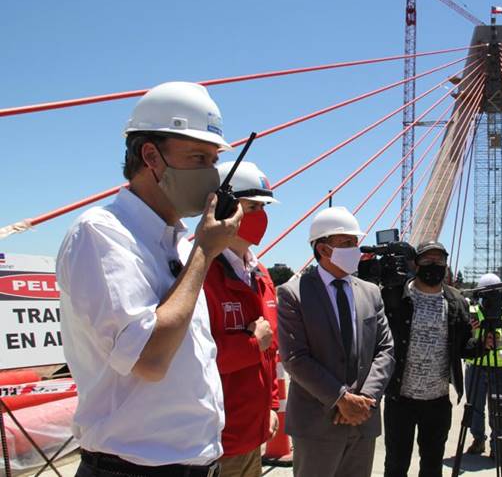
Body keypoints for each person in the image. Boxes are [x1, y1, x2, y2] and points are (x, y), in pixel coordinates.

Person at [57, 82, 240, 476]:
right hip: (130, 469)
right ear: (151, 156)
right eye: (197, 158)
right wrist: (205, 253)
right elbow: (150, 359)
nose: (211, 175)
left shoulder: (179, 244)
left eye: (213, 160)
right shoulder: (102, 233)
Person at [276, 207, 395, 477]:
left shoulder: (371, 292)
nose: (356, 249)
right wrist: (341, 398)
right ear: (323, 249)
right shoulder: (293, 293)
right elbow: (295, 358)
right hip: (317, 425)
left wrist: (364, 399)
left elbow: (385, 350)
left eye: (355, 242)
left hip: (363, 420)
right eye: (347, 243)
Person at [203, 161, 281, 477]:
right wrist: (251, 344)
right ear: (224, 207)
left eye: (263, 207)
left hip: (254, 435)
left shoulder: (260, 274)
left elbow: (270, 351)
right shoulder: (201, 273)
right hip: (217, 443)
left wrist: (271, 407)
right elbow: (191, 359)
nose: (261, 216)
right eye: (252, 207)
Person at [382, 240, 483, 477]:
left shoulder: (457, 301)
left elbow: (463, 348)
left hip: (437, 401)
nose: (433, 265)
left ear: (446, 265)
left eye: (439, 260)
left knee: (432, 466)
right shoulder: (397, 296)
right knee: (396, 465)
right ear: (416, 264)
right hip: (400, 399)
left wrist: (482, 345)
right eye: (427, 260)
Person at [465, 273, 502, 458]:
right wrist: (470, 328)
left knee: (499, 408)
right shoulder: (471, 312)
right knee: (474, 406)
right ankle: (478, 439)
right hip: (476, 366)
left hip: (499, 369)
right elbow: (461, 341)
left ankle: (497, 444)